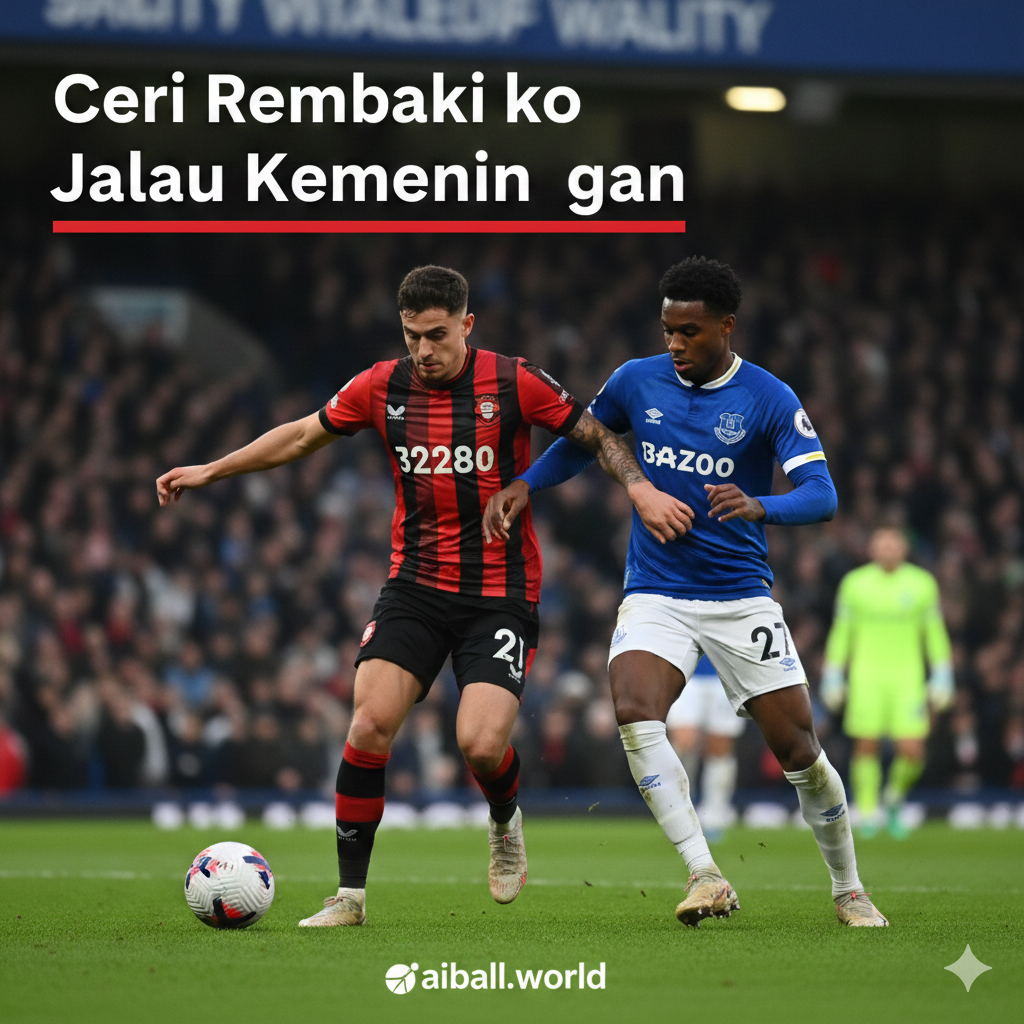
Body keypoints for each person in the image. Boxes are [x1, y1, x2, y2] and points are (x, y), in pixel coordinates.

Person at [156, 264, 690, 928]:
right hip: (414, 586)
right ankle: (349, 897)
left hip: (499, 594)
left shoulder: (512, 380)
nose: (424, 351)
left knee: (480, 745)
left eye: (436, 335)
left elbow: (595, 436)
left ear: (467, 325)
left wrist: (638, 487)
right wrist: (212, 469)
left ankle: (504, 819)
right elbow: (300, 434)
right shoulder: (383, 385)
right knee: (367, 726)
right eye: (412, 336)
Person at [485, 256, 889, 927]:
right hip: (657, 591)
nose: (675, 343)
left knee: (799, 752)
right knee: (634, 707)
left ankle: (848, 887)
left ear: (726, 327)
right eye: (669, 329)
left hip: (739, 597)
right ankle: (705, 872)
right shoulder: (635, 380)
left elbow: (822, 495)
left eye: (691, 332)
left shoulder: (767, 397)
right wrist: (529, 482)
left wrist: (760, 506)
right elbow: (586, 441)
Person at [821, 527, 953, 839]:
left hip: (908, 677)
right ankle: (868, 812)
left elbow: (934, 632)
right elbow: (842, 632)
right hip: (867, 676)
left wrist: (943, 672)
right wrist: (833, 673)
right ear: (872, 549)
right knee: (866, 744)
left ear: (904, 548)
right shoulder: (855, 584)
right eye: (882, 544)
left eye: (894, 544)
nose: (888, 550)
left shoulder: (922, 584)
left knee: (912, 750)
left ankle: (893, 798)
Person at [666, 653, 745, 839]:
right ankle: (681, 814)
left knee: (719, 749)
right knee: (683, 744)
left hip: (725, 674)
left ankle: (714, 817)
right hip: (684, 671)